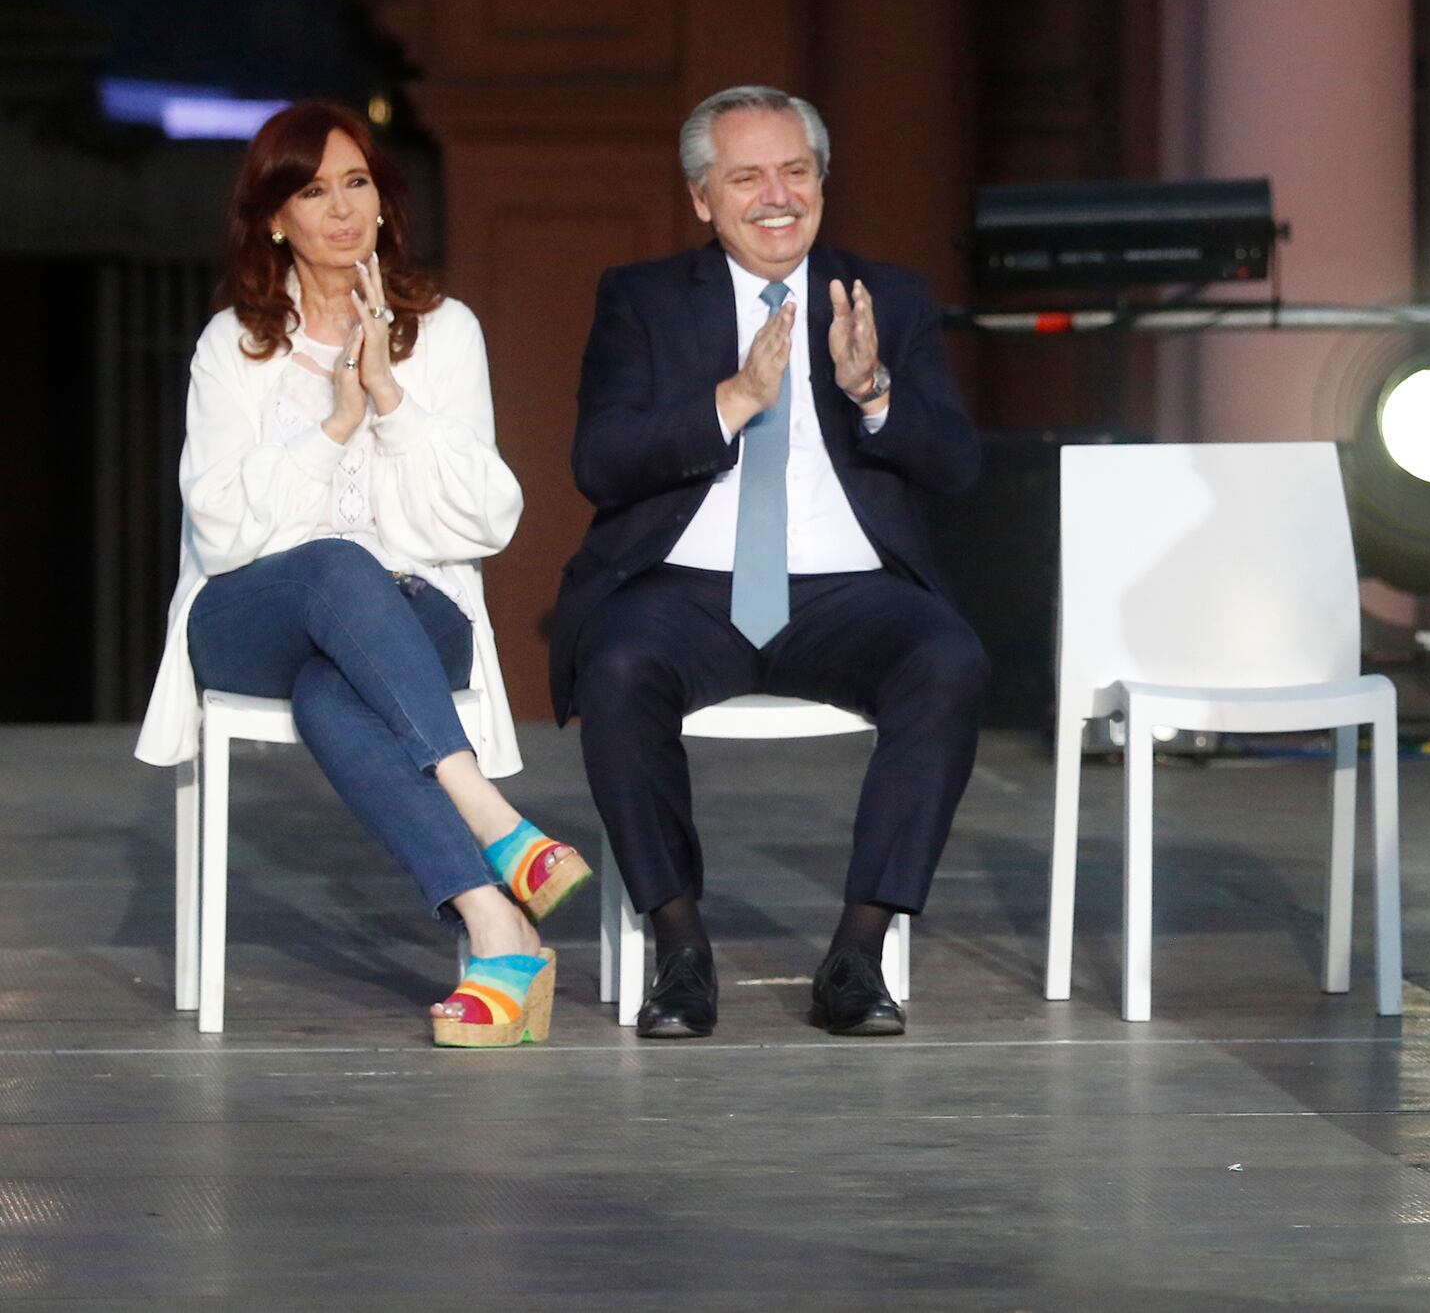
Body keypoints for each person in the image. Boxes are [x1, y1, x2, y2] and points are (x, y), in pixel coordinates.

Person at [137, 100, 587, 1048]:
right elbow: (223, 532)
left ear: (384, 202)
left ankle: (498, 928)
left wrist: (390, 397)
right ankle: (495, 820)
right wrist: (336, 421)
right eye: (311, 190)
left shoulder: (445, 332)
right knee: (337, 568)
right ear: (273, 217)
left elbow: (485, 516)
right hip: (248, 617)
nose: (341, 209)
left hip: (409, 618)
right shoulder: (233, 345)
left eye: (357, 184)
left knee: (331, 690)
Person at [554, 85, 986, 1041]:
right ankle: (679, 948)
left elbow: (958, 464)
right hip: (685, 586)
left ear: (823, 181)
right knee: (616, 662)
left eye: (796, 170)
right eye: (746, 176)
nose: (776, 194)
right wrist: (733, 398)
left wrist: (870, 389)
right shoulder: (642, 298)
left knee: (947, 657)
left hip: (849, 591)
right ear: (703, 199)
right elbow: (599, 461)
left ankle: (858, 953)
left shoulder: (887, 296)